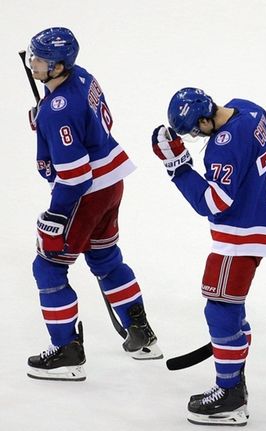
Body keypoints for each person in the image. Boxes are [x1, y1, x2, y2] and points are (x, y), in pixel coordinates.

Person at [153, 87, 266, 426]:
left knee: (219, 306)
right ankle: (235, 373)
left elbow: (214, 204)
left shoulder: (222, 146)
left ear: (205, 119)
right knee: (230, 306)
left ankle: (229, 394)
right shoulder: (249, 108)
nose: (196, 136)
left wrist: (178, 167)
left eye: (195, 130)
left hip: (243, 234)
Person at [26, 27, 163, 382]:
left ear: (59, 66)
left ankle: (67, 353)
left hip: (84, 194)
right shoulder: (82, 77)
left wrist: (55, 217)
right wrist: (44, 120)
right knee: (104, 257)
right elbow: (94, 123)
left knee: (49, 267)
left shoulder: (58, 111)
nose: (34, 64)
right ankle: (142, 337)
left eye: (41, 59)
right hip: (111, 181)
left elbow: (73, 175)